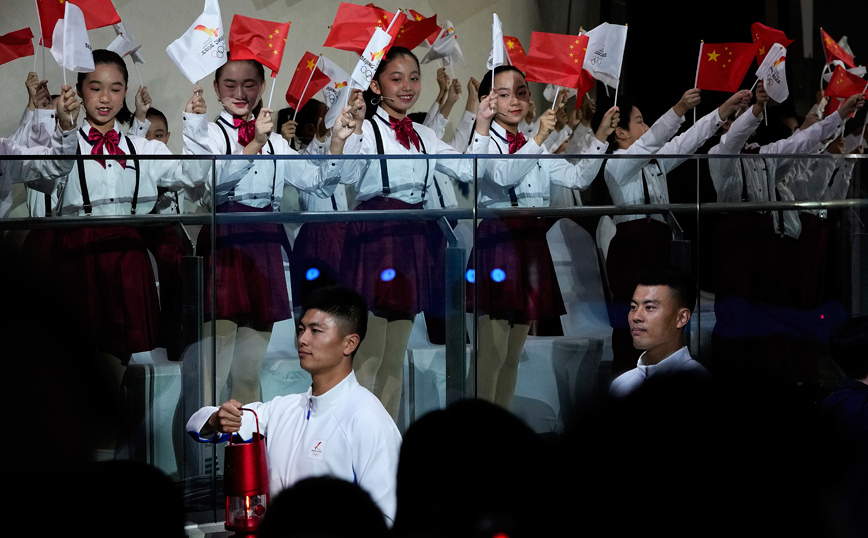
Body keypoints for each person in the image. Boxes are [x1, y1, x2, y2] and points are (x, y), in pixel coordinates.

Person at [182, 57, 360, 405]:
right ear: (217, 89)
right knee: (210, 379)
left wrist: (337, 142)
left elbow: (318, 184)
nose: (240, 92)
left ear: (262, 88)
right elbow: (207, 190)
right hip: (225, 244)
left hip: (265, 245)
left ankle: (242, 459)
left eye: (249, 84)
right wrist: (251, 147)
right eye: (230, 85)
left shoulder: (277, 143)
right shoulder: (208, 134)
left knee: (248, 376)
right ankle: (199, 457)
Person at [339, 46, 496, 421]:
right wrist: (354, 127)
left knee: (395, 354)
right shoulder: (367, 128)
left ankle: (387, 442)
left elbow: (465, 169)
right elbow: (344, 176)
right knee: (370, 352)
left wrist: (484, 124)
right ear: (376, 85)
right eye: (396, 78)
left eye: (413, 77)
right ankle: (353, 442)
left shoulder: (424, 133)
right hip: (376, 234)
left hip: (413, 236)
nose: (407, 86)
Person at [468, 64, 619, 408]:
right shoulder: (485, 140)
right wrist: (538, 138)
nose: (515, 101)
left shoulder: (532, 144)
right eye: (504, 94)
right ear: (489, 100)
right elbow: (503, 175)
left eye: (521, 92)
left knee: (512, 354)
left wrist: (599, 137)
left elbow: (578, 177)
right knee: (490, 355)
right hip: (500, 239)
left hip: (532, 241)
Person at [186, 286, 402, 524]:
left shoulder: (368, 419)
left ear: (349, 343)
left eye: (316, 331)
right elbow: (198, 423)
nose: (302, 339)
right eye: (301, 330)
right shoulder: (284, 409)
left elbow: (387, 517)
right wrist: (217, 419)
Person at [603, 87, 751, 375]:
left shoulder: (655, 161)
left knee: (661, 320)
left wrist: (723, 111)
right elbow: (654, 139)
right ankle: (624, 387)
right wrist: (679, 108)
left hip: (658, 243)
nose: (646, 127)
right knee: (630, 322)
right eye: (640, 121)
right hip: (632, 247)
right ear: (620, 132)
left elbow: (690, 140)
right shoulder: (614, 164)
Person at [609, 266, 707, 397]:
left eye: (649, 307)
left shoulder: (701, 385)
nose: (636, 316)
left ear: (682, 318)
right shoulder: (621, 385)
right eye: (633, 307)